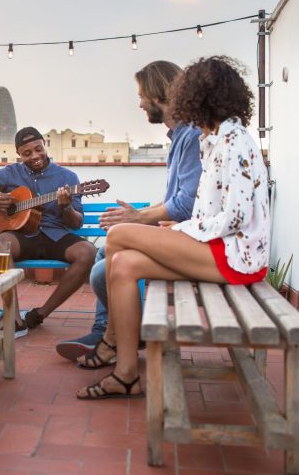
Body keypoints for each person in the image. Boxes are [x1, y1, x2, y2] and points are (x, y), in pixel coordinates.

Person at [77, 56, 270, 400]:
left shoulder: (234, 142)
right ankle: (125, 373)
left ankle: (110, 341)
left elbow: (235, 217)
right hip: (218, 249)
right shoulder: (213, 141)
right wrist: (183, 228)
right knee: (122, 264)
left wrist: (182, 232)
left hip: (234, 258)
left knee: (118, 235)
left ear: (197, 97)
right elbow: (207, 209)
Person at [56, 61, 202, 362]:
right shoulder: (178, 138)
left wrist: (138, 218)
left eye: (141, 95)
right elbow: (174, 200)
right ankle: (105, 331)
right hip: (178, 230)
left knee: (101, 269)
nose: (139, 102)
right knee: (107, 249)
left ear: (158, 95)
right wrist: (139, 217)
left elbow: (186, 206)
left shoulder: (192, 137)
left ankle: (121, 335)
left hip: (192, 240)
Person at [0, 127, 97, 333]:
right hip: (23, 236)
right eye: (27, 153)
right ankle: (14, 318)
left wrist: (66, 207)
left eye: (38, 149)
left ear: (44, 145)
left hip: (56, 235)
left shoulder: (68, 177)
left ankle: (41, 313)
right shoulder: (8, 173)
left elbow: (76, 223)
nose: (35, 156)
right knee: (1, 245)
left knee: (88, 252)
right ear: (19, 154)